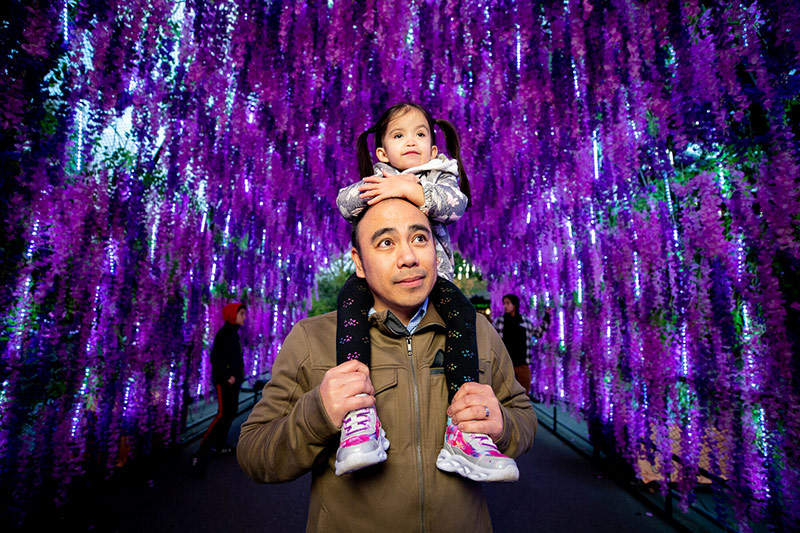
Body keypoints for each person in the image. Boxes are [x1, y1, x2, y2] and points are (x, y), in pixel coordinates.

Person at [237, 198, 536, 531]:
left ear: (436, 251)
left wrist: (503, 426)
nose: (408, 258)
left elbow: (522, 415)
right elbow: (254, 451)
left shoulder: (477, 331)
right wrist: (316, 414)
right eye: (385, 242)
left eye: (420, 238)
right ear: (359, 263)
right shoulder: (312, 339)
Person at [333, 102, 516, 481]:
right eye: (399, 136)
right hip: (377, 282)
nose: (411, 142)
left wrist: (410, 187)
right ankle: (358, 413)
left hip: (438, 281)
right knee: (349, 300)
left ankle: (464, 427)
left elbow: (456, 205)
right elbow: (345, 202)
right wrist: (376, 190)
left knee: (464, 317)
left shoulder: (440, 177)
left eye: (420, 135)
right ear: (382, 153)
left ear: (434, 149)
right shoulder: (378, 177)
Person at [191, 302, 246, 475]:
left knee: (231, 412)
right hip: (225, 382)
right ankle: (203, 447)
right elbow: (216, 358)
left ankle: (220, 445)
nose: (244, 317)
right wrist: (227, 376)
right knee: (223, 413)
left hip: (234, 381)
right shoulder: (224, 334)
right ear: (232, 315)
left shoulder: (234, 334)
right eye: (241, 313)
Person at [492, 294, 551, 395]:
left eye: (508, 303)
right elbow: (492, 340)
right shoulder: (499, 322)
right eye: (504, 303)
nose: (505, 306)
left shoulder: (524, 321)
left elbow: (538, 333)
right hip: (505, 365)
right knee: (505, 394)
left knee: (524, 394)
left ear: (514, 305)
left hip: (522, 364)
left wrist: (546, 317)